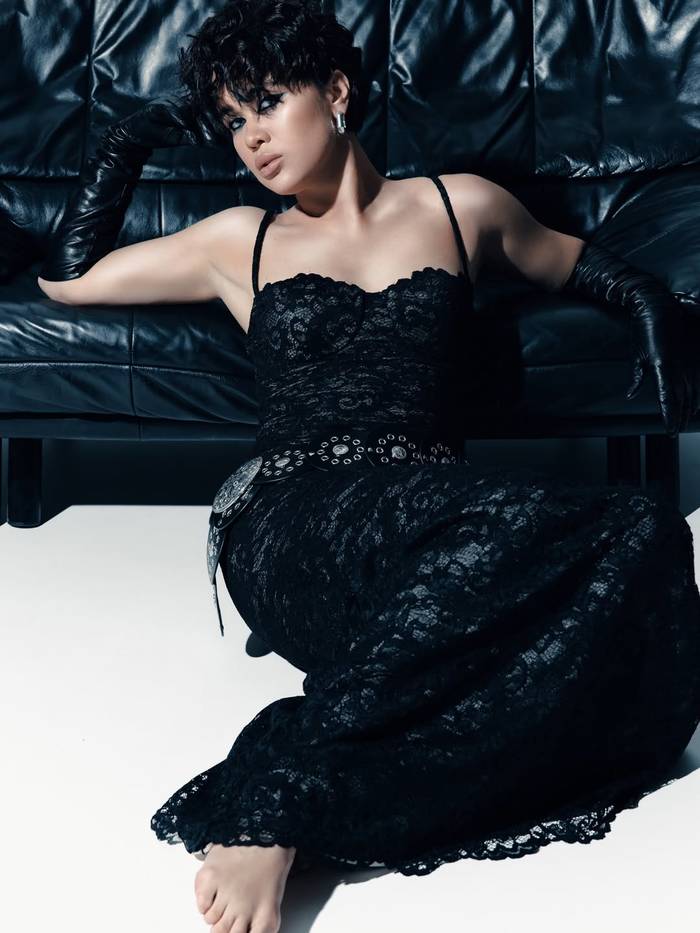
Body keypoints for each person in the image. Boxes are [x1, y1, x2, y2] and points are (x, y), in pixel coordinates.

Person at [37, 1, 700, 931]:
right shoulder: (238, 239)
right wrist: (131, 139)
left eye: (268, 101)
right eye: (231, 118)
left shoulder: (459, 207)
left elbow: (576, 263)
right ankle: (274, 803)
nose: (250, 136)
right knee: (496, 561)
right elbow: (68, 279)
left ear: (338, 91)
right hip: (288, 514)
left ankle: (320, 783)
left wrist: (650, 306)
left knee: (646, 527)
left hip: (429, 512)